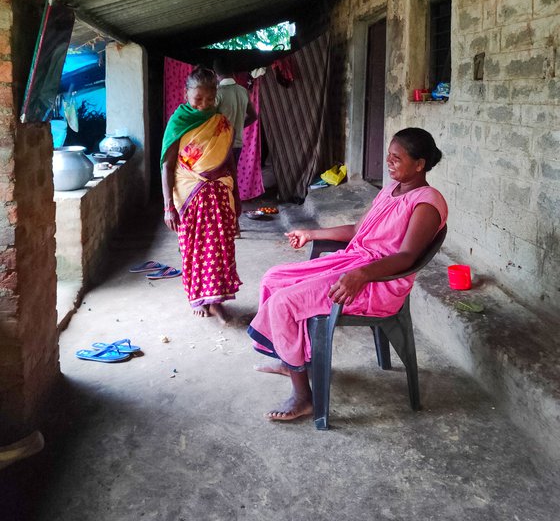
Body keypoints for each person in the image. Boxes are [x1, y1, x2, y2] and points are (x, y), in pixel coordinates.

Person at [247, 127, 448, 421]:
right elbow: (357, 231)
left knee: (284, 302)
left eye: (397, 158)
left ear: (419, 164)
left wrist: (363, 274)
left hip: (378, 283)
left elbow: (406, 257)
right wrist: (310, 233)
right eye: (388, 157)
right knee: (273, 278)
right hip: (355, 264)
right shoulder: (390, 191)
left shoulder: (426, 203)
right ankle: (290, 359)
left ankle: (303, 396)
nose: (389, 163)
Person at [161, 66, 241, 323]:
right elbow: (167, 165)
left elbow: (229, 162)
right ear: (186, 94)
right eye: (198, 99)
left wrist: (237, 198)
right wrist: (167, 206)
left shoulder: (220, 123)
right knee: (194, 248)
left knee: (220, 247)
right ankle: (198, 299)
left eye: (209, 99)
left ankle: (216, 301)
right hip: (188, 194)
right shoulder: (178, 122)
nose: (203, 105)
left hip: (219, 193)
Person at [213, 57, 258, 164]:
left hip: (221, 145)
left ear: (216, 74)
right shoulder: (243, 91)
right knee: (231, 178)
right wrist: (237, 125)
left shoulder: (217, 93)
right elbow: (253, 116)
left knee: (221, 179)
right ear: (232, 72)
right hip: (237, 144)